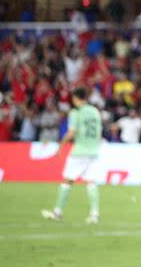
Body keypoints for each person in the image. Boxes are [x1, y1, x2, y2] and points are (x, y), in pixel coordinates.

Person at [42, 88, 103, 224]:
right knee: (91, 182)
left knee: (67, 181)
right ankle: (94, 214)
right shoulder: (95, 112)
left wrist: (60, 146)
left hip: (79, 151)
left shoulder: (76, 112)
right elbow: (99, 133)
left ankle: (57, 212)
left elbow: (71, 132)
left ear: (75, 98)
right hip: (93, 151)